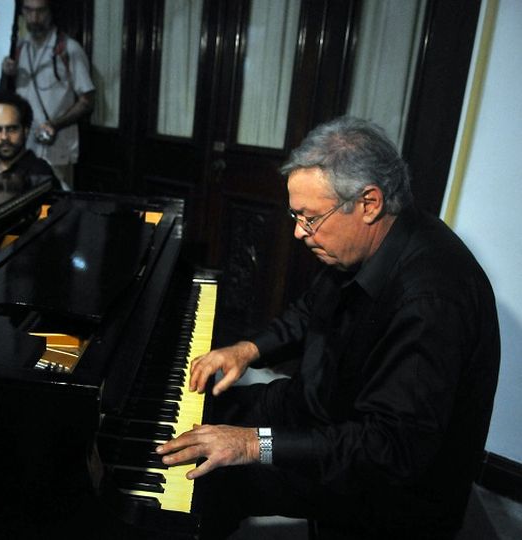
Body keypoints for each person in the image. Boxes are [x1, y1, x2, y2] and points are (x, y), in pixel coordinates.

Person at [156, 117, 500, 539]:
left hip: (381, 480)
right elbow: (310, 310)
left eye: (310, 217)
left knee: (216, 473)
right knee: (205, 414)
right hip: (323, 407)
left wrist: (250, 444)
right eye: (295, 214)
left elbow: (387, 448)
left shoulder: (431, 301)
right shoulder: (366, 241)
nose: (299, 232)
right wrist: (247, 349)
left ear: (369, 203)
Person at [0, 0, 95, 189]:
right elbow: (4, 98)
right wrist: (5, 74)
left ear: (51, 11)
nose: (34, 18)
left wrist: (55, 124)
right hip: (24, 148)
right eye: (29, 11)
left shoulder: (68, 49)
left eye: (40, 11)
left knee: (59, 202)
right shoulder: (19, 48)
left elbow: (87, 101)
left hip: (57, 147)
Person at [0, 92, 58, 188]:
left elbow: (49, 203)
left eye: (11, 129)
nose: (4, 137)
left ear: (26, 131)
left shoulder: (40, 174)